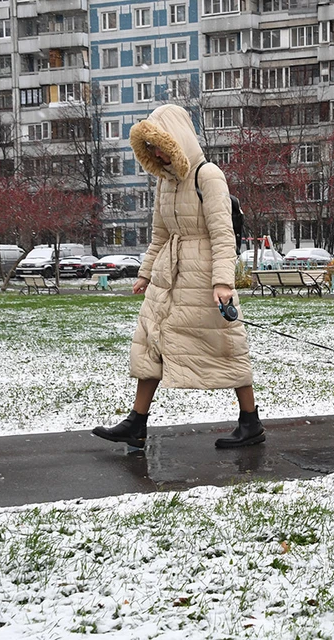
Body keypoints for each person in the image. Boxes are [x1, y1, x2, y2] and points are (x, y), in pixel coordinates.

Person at [91, 104, 264, 450]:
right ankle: (136, 423)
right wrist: (145, 273)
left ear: (177, 139)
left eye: (160, 144)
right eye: (150, 146)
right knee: (150, 342)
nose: (155, 153)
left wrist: (222, 282)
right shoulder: (164, 183)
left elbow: (223, 234)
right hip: (168, 278)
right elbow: (159, 235)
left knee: (226, 346)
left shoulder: (208, 175)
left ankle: (250, 422)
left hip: (203, 278)